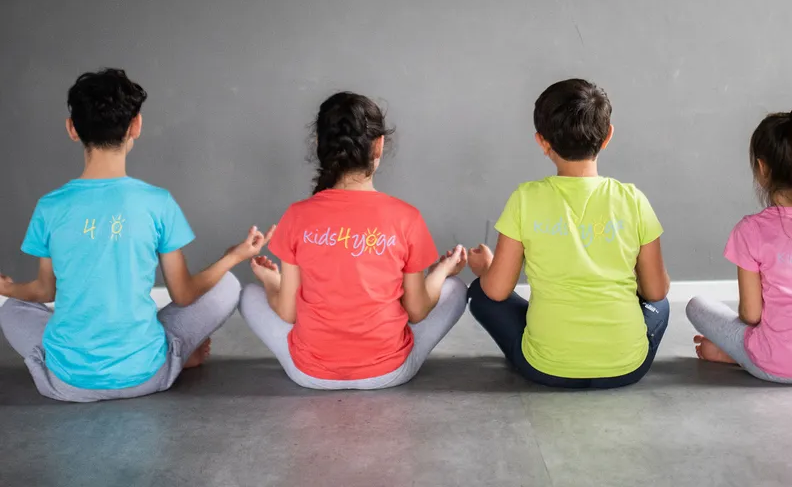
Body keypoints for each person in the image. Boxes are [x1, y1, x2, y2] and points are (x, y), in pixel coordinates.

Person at [0, 68, 272, 402]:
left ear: (72, 129)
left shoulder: (50, 206)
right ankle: (173, 354)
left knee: (12, 308)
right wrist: (234, 256)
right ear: (136, 126)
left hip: (67, 383)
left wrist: (8, 288)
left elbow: (44, 290)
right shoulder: (157, 202)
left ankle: (70, 351)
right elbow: (184, 294)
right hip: (147, 375)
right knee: (228, 285)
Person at [239, 92, 468, 390]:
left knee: (247, 295)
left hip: (310, 374)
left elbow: (287, 313)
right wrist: (442, 271)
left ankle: (276, 287)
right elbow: (417, 310)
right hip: (388, 372)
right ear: (379, 144)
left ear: (321, 146)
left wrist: (272, 283)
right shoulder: (406, 217)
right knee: (456, 289)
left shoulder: (297, 216)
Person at [467, 78, 671, 389]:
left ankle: (546, 346)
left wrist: (486, 270)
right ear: (607, 137)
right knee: (662, 304)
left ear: (542, 142)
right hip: (627, 368)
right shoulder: (634, 200)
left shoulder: (525, 198)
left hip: (544, 368)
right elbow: (655, 291)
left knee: (481, 295)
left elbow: (497, 292)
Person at [686, 109, 792, 384]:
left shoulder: (750, 231)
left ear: (762, 168)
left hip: (775, 365)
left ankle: (738, 356)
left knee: (696, 306)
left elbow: (751, 315)